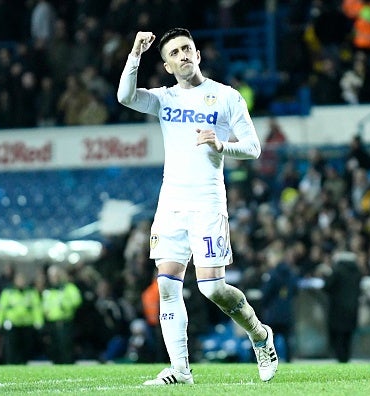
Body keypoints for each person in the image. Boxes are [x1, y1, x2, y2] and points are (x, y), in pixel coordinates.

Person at [117, 28, 278, 385]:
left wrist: (223, 145)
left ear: (198, 54)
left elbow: (252, 147)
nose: (183, 55)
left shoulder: (225, 97)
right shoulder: (163, 99)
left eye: (187, 48)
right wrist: (135, 54)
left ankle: (259, 336)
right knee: (167, 286)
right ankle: (180, 370)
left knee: (211, 288)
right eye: (174, 52)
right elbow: (125, 96)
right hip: (171, 204)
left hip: (207, 204)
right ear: (167, 64)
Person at [0, 272, 43, 364]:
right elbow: (1, 308)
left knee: (26, 347)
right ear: (15, 281)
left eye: (22, 280)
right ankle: (11, 364)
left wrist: (38, 321)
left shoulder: (31, 292)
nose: (21, 282)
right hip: (12, 324)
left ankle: (24, 364)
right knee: (11, 347)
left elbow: (36, 308)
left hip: (27, 324)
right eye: (19, 280)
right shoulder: (8, 292)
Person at [322, 251, 363, 363]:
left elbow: (326, 287)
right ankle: (346, 359)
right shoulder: (357, 272)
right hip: (353, 309)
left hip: (337, 310)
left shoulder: (337, 271)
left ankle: (340, 359)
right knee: (348, 337)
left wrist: (326, 274)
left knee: (338, 337)